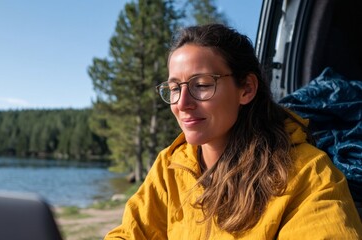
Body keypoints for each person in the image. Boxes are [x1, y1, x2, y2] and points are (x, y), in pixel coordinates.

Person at [105, 24, 362, 239]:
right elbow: (130, 233)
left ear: (247, 89)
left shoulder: (307, 174)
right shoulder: (171, 166)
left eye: (202, 85)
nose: (182, 103)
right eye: (174, 88)